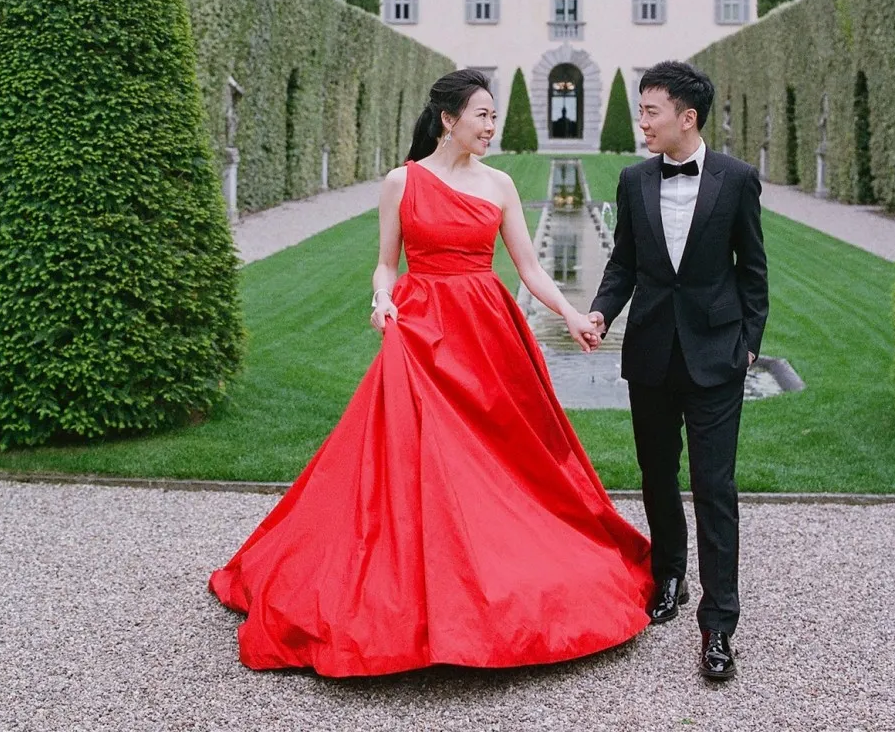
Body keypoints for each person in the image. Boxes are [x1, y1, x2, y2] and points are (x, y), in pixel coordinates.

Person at [210, 69, 652, 676]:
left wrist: (574, 313)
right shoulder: (401, 181)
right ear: (448, 120)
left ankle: (493, 568)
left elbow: (528, 267)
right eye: (483, 116)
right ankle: (424, 585)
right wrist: (380, 300)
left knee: (502, 453)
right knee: (422, 454)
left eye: (496, 116)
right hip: (420, 328)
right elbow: (385, 264)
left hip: (486, 330)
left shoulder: (499, 185)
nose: (492, 126)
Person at [588, 61, 768, 682]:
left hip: (717, 356)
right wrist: (601, 314)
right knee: (657, 475)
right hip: (651, 355)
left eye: (649, 111)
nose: (642, 121)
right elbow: (624, 265)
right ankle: (670, 574)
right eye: (639, 110)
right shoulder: (633, 180)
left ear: (686, 118)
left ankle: (720, 625)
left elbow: (753, 272)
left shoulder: (738, 180)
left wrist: (748, 343)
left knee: (715, 487)